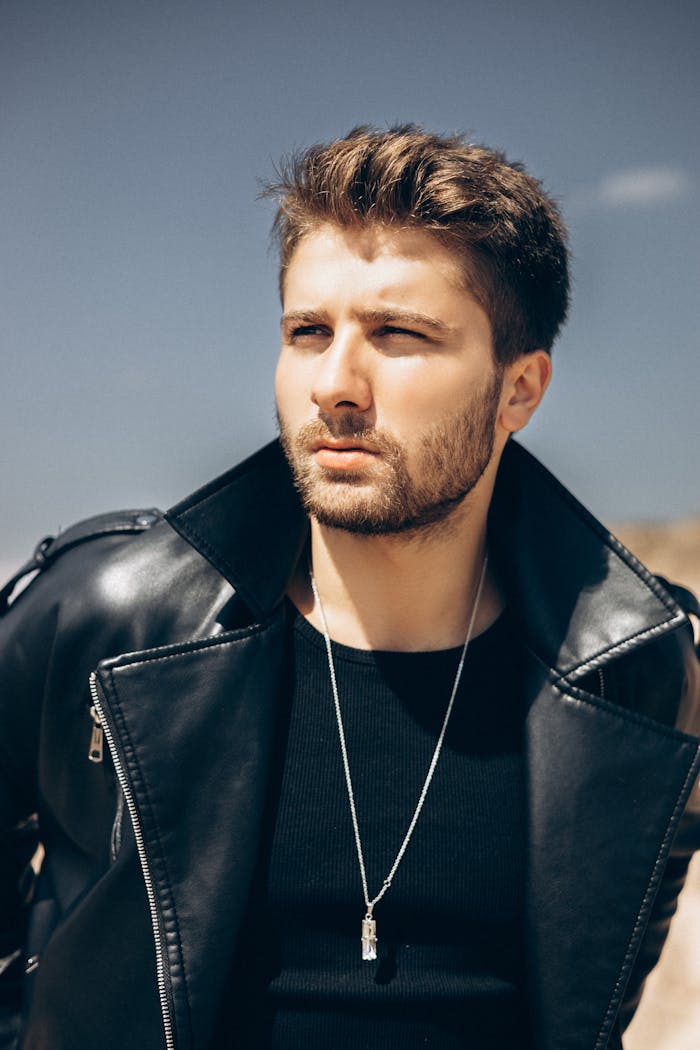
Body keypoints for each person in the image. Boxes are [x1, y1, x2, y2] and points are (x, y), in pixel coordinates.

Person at [1, 125, 699, 1050]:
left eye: (398, 334)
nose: (335, 384)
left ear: (519, 390)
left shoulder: (634, 674)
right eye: (308, 332)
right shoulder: (108, 623)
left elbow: (598, 996)